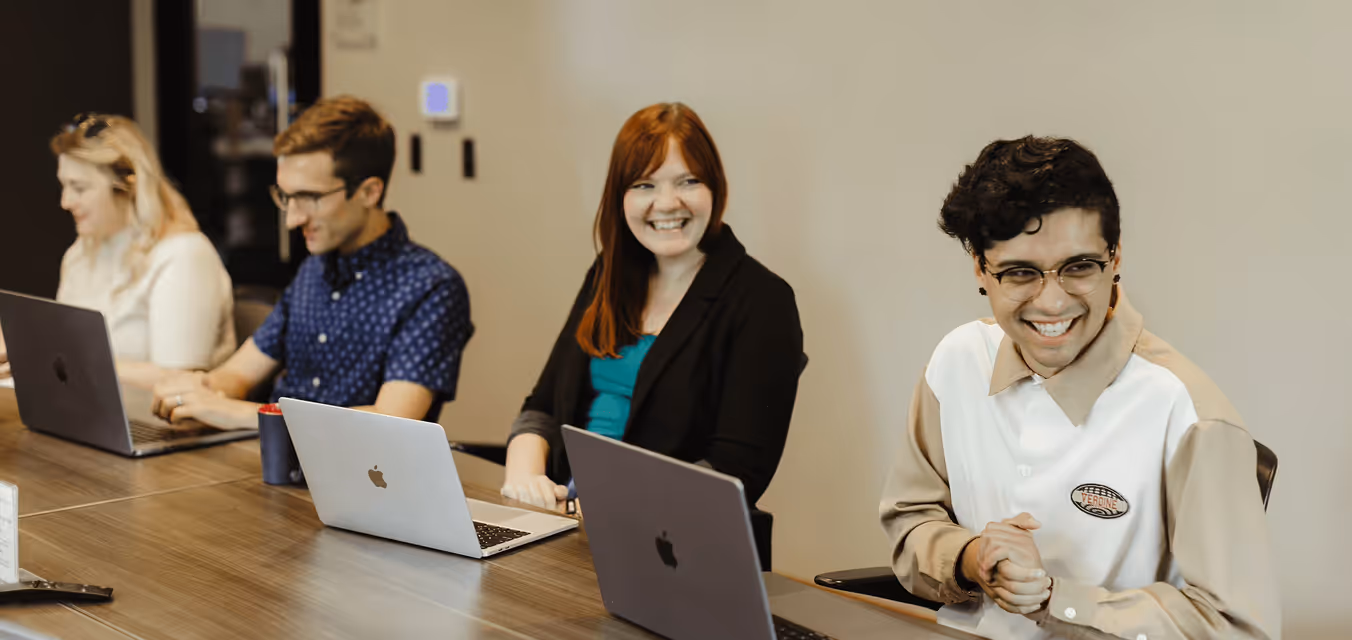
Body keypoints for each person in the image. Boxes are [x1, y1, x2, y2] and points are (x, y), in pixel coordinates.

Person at [879, 136, 1281, 639]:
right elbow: (911, 519)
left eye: (1079, 267)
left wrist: (1054, 600)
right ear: (980, 269)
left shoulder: (1187, 412)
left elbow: (1237, 628)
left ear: (1115, 260)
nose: (1051, 303)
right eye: (1019, 273)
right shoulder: (955, 363)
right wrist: (970, 557)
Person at [501, 103, 805, 511]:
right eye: (644, 184)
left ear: (715, 188)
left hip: (667, 539)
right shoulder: (607, 274)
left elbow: (736, 471)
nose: (666, 203)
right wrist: (524, 476)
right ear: (619, 196)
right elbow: (541, 408)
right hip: (564, 519)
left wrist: (616, 507)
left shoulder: (762, 300)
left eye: (688, 181)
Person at [150, 96, 472, 427]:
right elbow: (238, 374)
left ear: (369, 192)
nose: (292, 219)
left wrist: (239, 412)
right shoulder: (313, 270)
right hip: (275, 462)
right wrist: (199, 392)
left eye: (310, 198)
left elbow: (391, 421)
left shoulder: (431, 287)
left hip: (364, 476)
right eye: (286, 197)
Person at [0, 114, 234, 388]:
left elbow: (180, 381)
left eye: (79, 188)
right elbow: (65, 356)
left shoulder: (183, 255)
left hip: (164, 425)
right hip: (92, 416)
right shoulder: (79, 256)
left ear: (128, 186)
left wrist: (51, 357)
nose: (66, 202)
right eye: (64, 186)